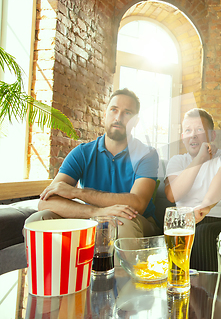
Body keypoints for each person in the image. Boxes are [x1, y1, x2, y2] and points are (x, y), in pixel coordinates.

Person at [26, 88, 160, 238]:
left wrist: (76, 192)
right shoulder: (82, 153)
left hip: (135, 221)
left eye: (127, 113)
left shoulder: (147, 154)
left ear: (135, 121)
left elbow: (137, 203)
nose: (118, 117)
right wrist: (98, 212)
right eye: (114, 110)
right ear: (104, 115)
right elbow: (46, 202)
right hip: (92, 219)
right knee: (38, 220)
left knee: (120, 225)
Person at [165, 108, 221, 272]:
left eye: (199, 130)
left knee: (202, 233)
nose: (193, 135)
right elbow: (173, 194)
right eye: (188, 130)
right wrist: (200, 158)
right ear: (183, 136)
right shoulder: (177, 161)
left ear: (212, 136)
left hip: (220, 219)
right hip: (186, 222)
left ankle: (209, 294)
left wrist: (203, 207)